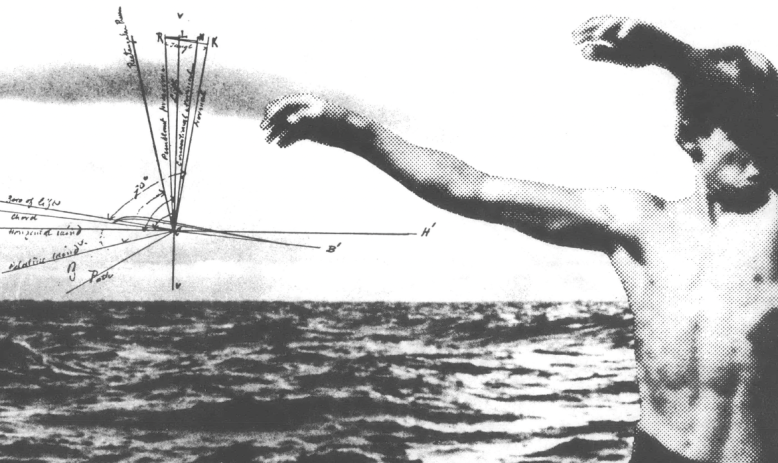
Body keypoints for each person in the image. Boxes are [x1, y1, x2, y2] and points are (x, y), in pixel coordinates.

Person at [261, 16, 778, 463]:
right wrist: (357, 132)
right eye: (739, 127)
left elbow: (758, 84)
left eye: (765, 124)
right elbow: (472, 188)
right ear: (689, 135)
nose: (757, 142)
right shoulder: (639, 226)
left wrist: (672, 54)